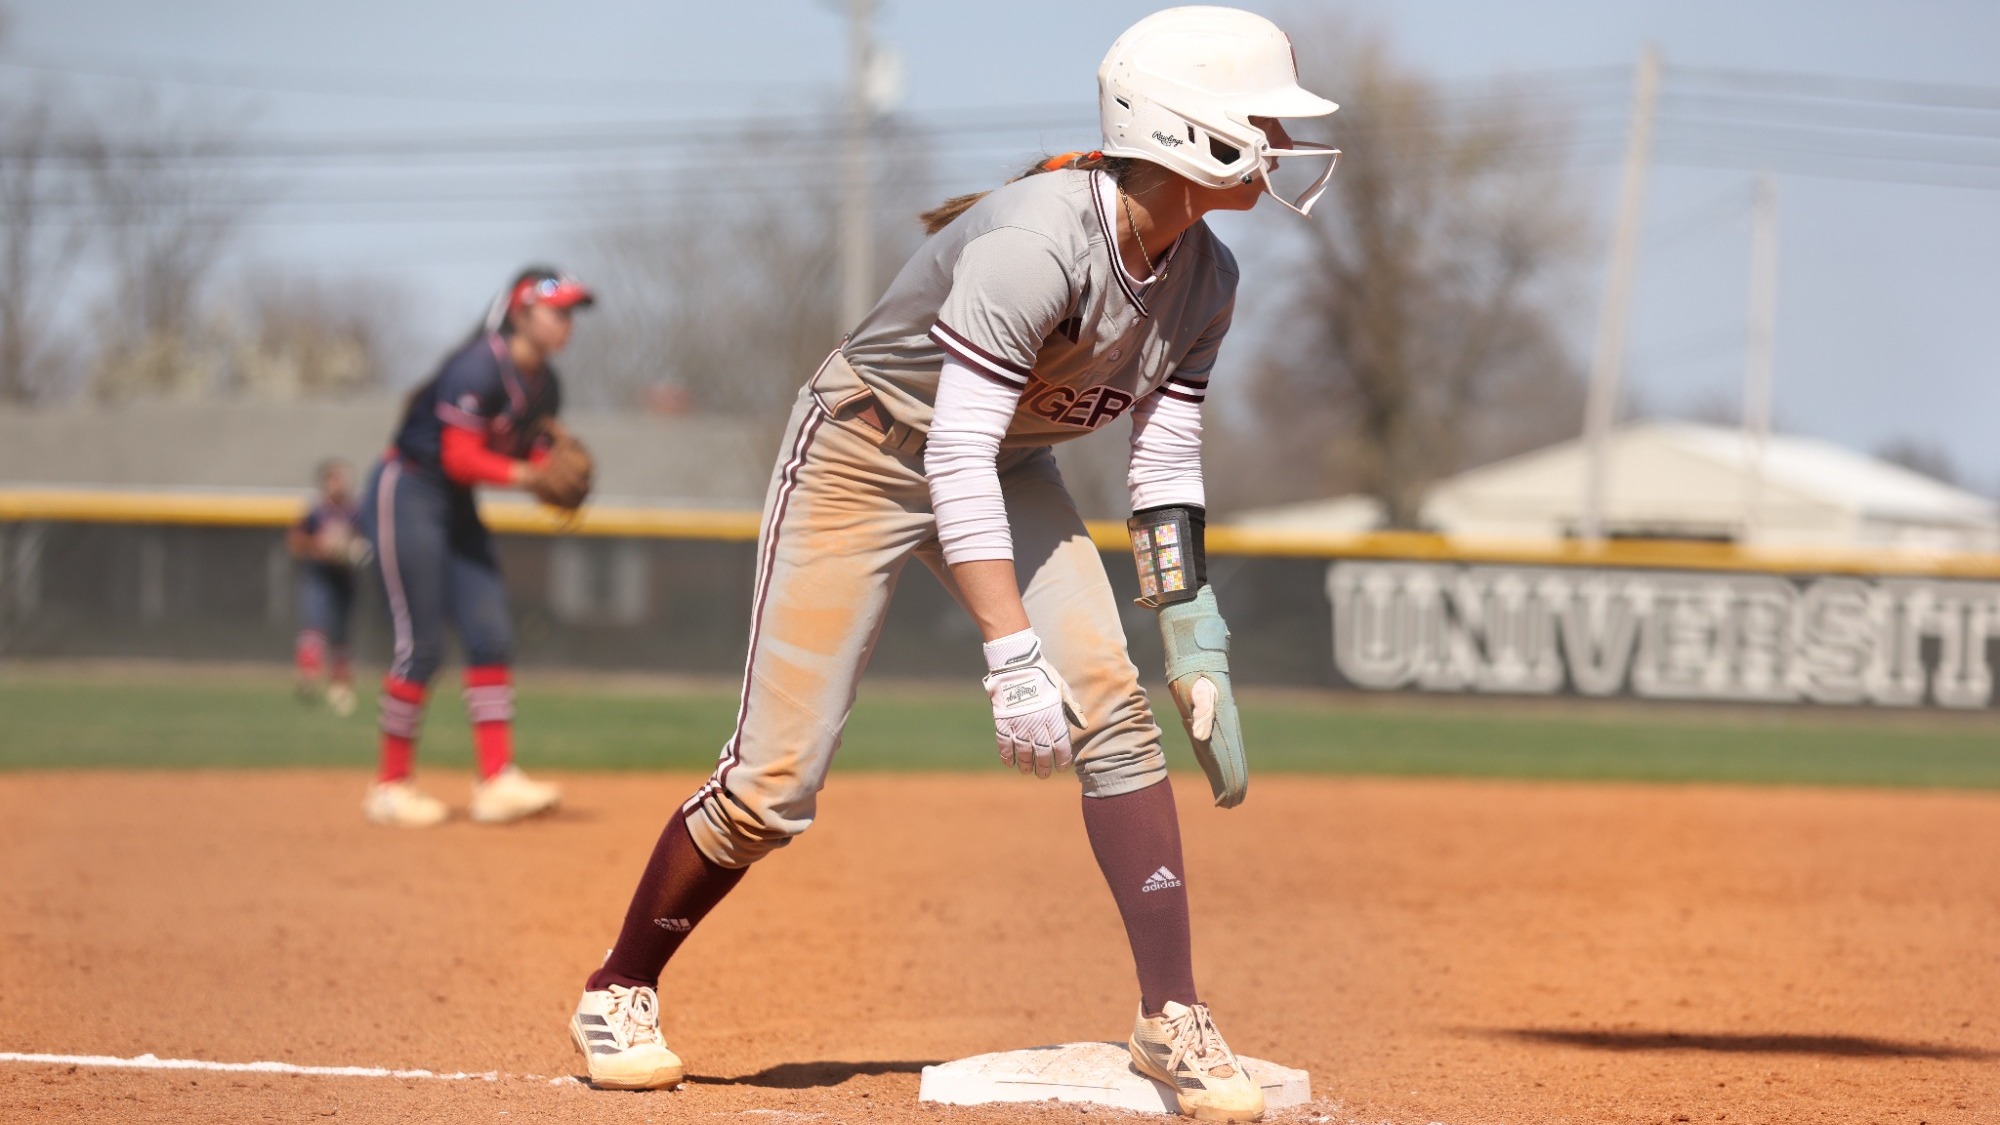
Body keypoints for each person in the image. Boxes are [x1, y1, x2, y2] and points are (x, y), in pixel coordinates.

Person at [568, 9, 1339, 1121]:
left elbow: (1162, 456)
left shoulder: (1203, 276)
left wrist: (1190, 635)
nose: (1278, 140)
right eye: (1262, 119)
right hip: (864, 450)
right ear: (1187, 133)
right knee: (772, 786)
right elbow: (951, 453)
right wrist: (1009, 656)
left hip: (1002, 465)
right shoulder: (1033, 242)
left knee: (1114, 712)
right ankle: (619, 986)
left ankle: (1170, 1015)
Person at [354, 266, 596, 828]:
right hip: (408, 489)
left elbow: (532, 455)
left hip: (455, 504)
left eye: (571, 313)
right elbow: (460, 456)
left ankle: (496, 781)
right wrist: (530, 477)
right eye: (556, 311)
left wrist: (552, 473)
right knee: (423, 644)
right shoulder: (478, 366)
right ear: (519, 312)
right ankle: (389, 786)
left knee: (489, 633)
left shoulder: (547, 384)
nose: (566, 324)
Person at [287, 458, 365, 715]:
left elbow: (366, 541)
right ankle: (308, 674)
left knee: (341, 634)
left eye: (343, 477)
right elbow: (295, 542)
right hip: (319, 576)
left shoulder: (355, 512)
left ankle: (340, 687)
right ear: (325, 483)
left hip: (344, 578)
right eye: (336, 478)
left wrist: (354, 550)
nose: (341, 483)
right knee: (315, 624)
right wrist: (319, 546)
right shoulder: (316, 512)